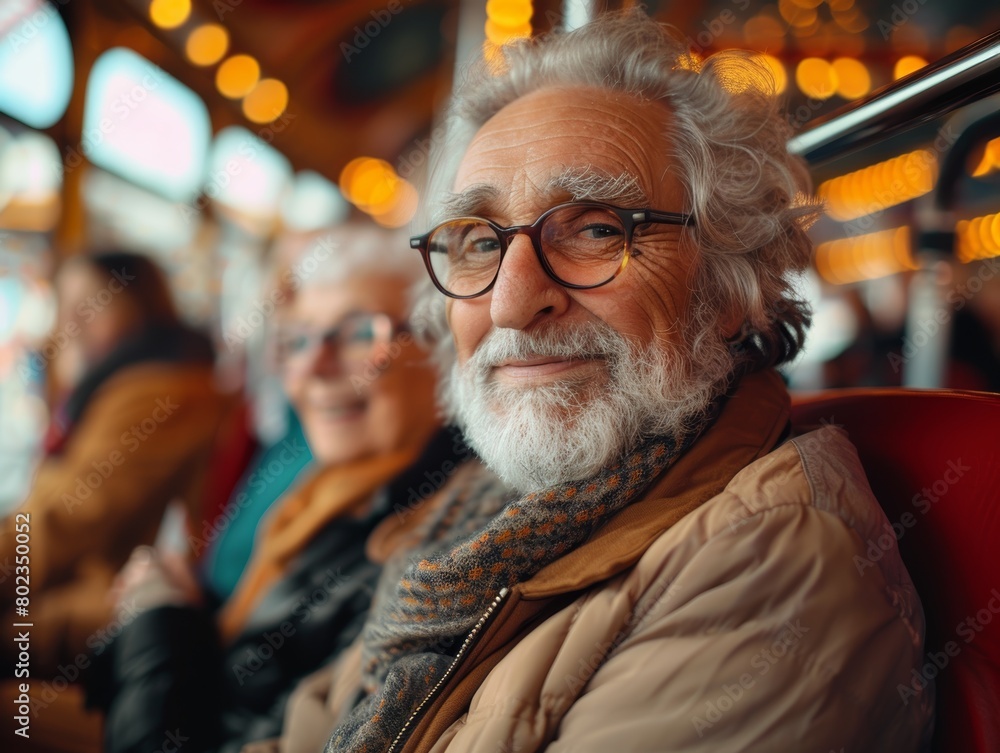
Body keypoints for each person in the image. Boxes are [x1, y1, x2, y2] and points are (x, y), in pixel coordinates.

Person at [278, 11, 933, 753]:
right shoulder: (473, 512)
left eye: (595, 229)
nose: (511, 302)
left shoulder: (775, 564)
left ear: (726, 285)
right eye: (480, 241)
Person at [87, 224, 470, 753]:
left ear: (443, 352)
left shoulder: (429, 554)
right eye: (298, 339)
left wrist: (157, 620)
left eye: (361, 333)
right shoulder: (325, 490)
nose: (312, 368)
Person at [0, 250, 231, 676]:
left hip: (117, 604)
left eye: (91, 304)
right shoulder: (117, 382)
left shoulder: (162, 392)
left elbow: (66, 522)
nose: (70, 322)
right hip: (96, 590)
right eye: (64, 305)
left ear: (142, 306)